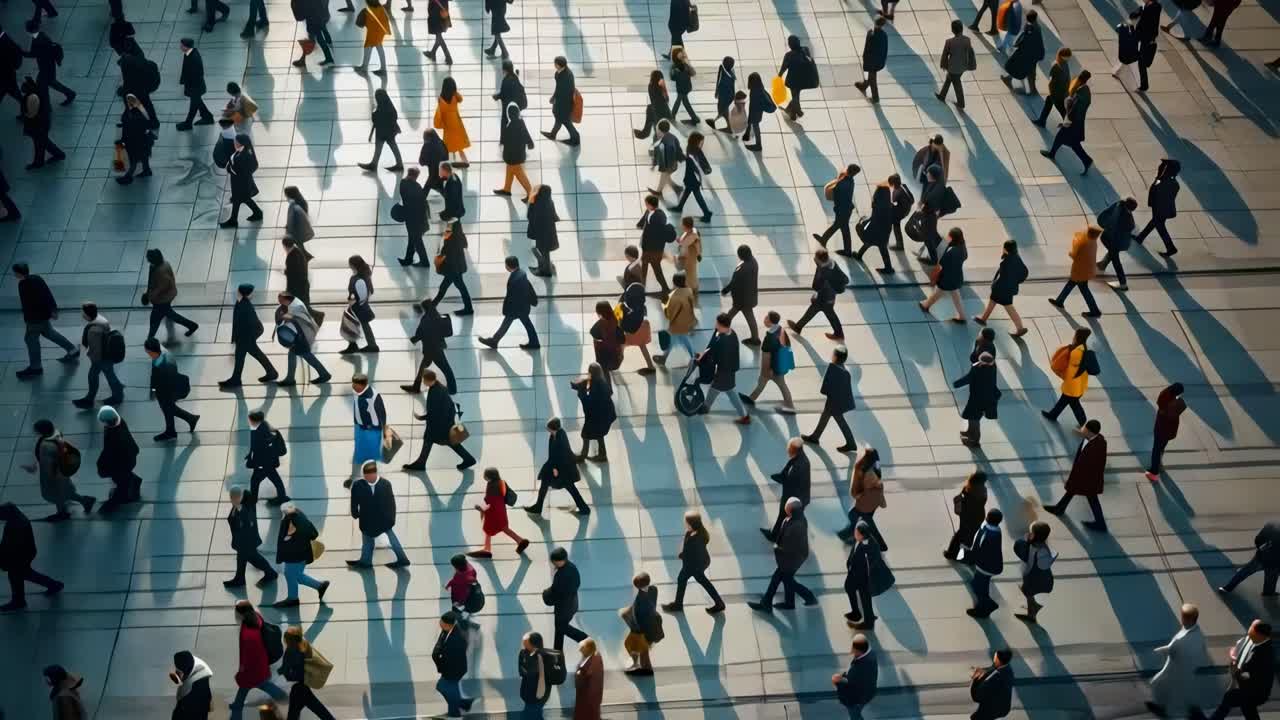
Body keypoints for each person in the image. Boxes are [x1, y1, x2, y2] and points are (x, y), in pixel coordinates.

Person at [1193, 620, 1274, 720]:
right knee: (1247, 708)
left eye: (1252, 635)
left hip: (1257, 692)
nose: (1249, 638)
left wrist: (1236, 674)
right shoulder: (1257, 642)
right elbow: (1241, 645)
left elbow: (1254, 676)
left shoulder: (1264, 653)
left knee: (1230, 698)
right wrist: (1234, 653)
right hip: (1250, 688)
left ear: (1260, 635)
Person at [748, 498, 818, 612]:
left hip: (793, 557)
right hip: (791, 556)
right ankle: (789, 602)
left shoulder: (796, 524)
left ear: (791, 510)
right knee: (783, 578)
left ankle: (807, 596)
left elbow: (790, 545)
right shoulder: (794, 519)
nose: (785, 511)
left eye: (787, 509)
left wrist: (777, 549)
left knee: (784, 578)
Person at [402, 369, 476, 471]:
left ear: (428, 380)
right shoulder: (439, 388)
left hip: (440, 425)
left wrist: (421, 417)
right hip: (444, 422)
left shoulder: (436, 392)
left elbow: (434, 411)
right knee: (439, 440)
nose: (423, 382)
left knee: (446, 441)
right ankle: (421, 462)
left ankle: (468, 459)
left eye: (424, 380)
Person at [1044, 419, 1109, 532]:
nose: (1082, 429)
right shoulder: (1094, 438)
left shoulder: (1096, 446)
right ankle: (1059, 508)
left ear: (1090, 432)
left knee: (1091, 498)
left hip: (1087, 478)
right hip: (1085, 476)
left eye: (1084, 429)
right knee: (1072, 491)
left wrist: (1074, 477)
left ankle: (1100, 523)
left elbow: (1089, 466)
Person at [13, 263, 76, 378]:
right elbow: (47, 294)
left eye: (15, 273)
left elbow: (28, 304)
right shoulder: (37, 278)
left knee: (30, 340)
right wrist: (53, 310)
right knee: (50, 333)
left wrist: (28, 319)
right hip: (43, 315)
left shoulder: (23, 284)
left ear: (18, 273)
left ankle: (36, 367)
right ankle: (72, 350)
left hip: (34, 319)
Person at [1147, 604, 1210, 718]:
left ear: (1186, 619)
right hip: (1187, 670)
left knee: (1158, 684)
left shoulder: (1182, 639)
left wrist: (1158, 651)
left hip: (1176, 669)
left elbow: (1172, 649)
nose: (1181, 618)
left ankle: (1163, 709)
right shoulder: (1198, 634)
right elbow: (1202, 652)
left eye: (1183, 616)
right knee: (1185, 697)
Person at [347, 460, 411, 568]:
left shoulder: (385, 484)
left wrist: (391, 519)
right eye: (366, 476)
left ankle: (402, 559)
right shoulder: (358, 485)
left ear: (375, 474)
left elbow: (391, 504)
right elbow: (354, 501)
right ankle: (366, 561)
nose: (368, 478)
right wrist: (355, 513)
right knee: (368, 541)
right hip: (367, 519)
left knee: (391, 540)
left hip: (383, 519)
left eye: (370, 476)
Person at [0, 503, 63, 611]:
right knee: (24, 574)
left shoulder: (15, 526)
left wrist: (4, 559)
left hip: (19, 555)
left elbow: (10, 546)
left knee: (17, 575)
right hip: (25, 553)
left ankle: (19, 601)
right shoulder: (17, 520)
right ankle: (53, 585)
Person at [230, 600, 288, 718]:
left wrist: (242, 670)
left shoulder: (247, 634)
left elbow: (248, 656)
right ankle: (237, 705)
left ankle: (236, 712)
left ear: (239, 614)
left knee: (250, 685)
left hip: (252, 669)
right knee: (254, 686)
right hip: (261, 664)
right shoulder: (256, 618)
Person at [663, 510, 725, 614]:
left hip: (696, 564)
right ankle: (719, 603)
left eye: (686, 522)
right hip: (696, 562)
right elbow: (687, 548)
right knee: (697, 580)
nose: (684, 523)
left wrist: (684, 556)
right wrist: (683, 554)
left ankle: (678, 605)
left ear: (691, 523)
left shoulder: (697, 538)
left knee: (684, 578)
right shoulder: (691, 533)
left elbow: (694, 554)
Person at [526, 417, 590, 514]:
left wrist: (555, 469)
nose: (547, 430)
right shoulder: (554, 435)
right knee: (546, 483)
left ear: (553, 428)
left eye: (549, 428)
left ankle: (584, 508)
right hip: (558, 468)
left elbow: (563, 455)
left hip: (564, 470)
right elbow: (553, 454)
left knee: (571, 488)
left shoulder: (561, 437)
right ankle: (538, 507)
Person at [802, 346, 857, 452]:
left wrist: (826, 392)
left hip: (833, 401)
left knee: (839, 420)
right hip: (838, 401)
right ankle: (815, 436)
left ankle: (851, 443)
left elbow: (825, 387)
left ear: (835, 357)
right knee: (825, 416)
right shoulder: (845, 371)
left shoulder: (832, 368)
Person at [221, 284, 277, 388]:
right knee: (244, 357)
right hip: (244, 337)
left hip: (245, 337)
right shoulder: (243, 303)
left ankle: (236, 379)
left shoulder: (244, 305)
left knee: (241, 357)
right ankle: (271, 372)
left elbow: (253, 324)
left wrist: (247, 338)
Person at [697, 313, 749, 423]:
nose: (715, 325)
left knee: (717, 389)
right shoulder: (732, 333)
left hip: (724, 371)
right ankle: (743, 415)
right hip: (730, 368)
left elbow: (714, 356)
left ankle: (706, 407)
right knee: (729, 390)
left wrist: (703, 360)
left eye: (717, 323)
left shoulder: (722, 340)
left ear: (721, 324)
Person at [274, 503, 328, 608]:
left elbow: (285, 538)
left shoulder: (289, 521)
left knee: (290, 574)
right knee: (297, 576)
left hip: (293, 555)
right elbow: (314, 533)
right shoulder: (301, 515)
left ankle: (293, 598)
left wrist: (289, 537)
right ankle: (319, 586)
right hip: (303, 553)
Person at [145, 338, 199, 441]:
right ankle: (187, 421)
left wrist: (154, 392)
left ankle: (174, 430)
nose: (147, 352)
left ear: (151, 350)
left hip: (166, 390)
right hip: (166, 388)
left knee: (167, 408)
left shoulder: (162, 364)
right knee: (168, 408)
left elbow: (158, 380)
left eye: (147, 351)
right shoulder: (161, 354)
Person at [480, 256, 540, 350]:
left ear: (508, 266)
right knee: (525, 324)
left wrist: (507, 309)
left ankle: (494, 341)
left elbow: (511, 297)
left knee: (509, 322)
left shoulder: (515, 279)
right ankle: (534, 342)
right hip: (523, 306)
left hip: (517, 307)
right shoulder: (521, 273)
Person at [1040, 70, 1094, 174]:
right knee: (1068, 141)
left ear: (1080, 79)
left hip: (1073, 124)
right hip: (1078, 123)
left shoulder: (1079, 94)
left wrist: (1066, 122)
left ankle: (1086, 160)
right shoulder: (1086, 91)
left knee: (1067, 140)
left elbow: (1073, 111)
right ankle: (1053, 153)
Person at [741, 311, 796, 412]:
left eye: (766, 318)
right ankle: (751, 398)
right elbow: (787, 345)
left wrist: (766, 370)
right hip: (779, 364)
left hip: (772, 367)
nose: (764, 319)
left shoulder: (769, 337)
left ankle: (790, 406)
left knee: (778, 384)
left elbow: (766, 356)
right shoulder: (780, 329)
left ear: (770, 321)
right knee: (764, 382)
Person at [223, 485, 276, 588]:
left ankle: (270, 573)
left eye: (233, 496)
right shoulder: (238, 505)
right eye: (231, 496)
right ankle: (240, 578)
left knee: (255, 559)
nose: (231, 499)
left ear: (239, 497)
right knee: (242, 559)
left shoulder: (244, 510)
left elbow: (248, 525)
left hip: (246, 542)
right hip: (242, 541)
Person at [787, 249, 847, 340]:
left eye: (816, 257)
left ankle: (798, 327)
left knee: (825, 312)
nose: (814, 258)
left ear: (820, 260)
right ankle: (798, 327)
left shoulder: (824, 271)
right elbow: (845, 279)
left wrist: (816, 294)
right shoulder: (831, 263)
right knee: (819, 311)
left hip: (825, 298)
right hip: (828, 296)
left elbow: (817, 286)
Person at [470, 467, 529, 557]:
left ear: (489, 477)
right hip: (501, 509)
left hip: (493, 511)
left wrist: (480, 508)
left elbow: (488, 500)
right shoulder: (502, 482)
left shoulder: (490, 485)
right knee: (504, 527)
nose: (484, 477)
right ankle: (519, 540)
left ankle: (487, 548)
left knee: (488, 529)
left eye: (485, 475)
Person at [142, 249, 199, 343]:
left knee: (155, 319)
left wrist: (150, 296)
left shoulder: (161, 272)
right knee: (170, 315)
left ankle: (150, 338)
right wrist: (148, 292)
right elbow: (151, 281)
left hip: (162, 299)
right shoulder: (158, 265)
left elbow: (161, 288)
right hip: (164, 297)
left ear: (154, 259)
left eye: (149, 258)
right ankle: (191, 325)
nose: (147, 260)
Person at [278, 627, 336, 720]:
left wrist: (281, 672)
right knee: (321, 712)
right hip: (304, 686)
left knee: (295, 715)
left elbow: (289, 674)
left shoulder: (290, 651)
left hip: (298, 689)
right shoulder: (304, 645)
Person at [74, 303, 124, 407]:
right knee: (99, 375)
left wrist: (94, 360)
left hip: (101, 358)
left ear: (87, 314)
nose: (81, 314)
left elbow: (95, 348)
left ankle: (117, 396)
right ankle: (90, 398)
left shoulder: (93, 330)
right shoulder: (100, 319)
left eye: (82, 312)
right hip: (106, 355)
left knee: (105, 375)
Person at [401, 303, 458, 395]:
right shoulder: (437, 316)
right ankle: (416, 386)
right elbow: (446, 332)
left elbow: (420, 334)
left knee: (445, 368)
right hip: (437, 347)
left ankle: (452, 389)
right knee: (423, 367)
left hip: (432, 349)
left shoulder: (425, 319)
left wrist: (413, 339)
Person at [973, 241, 1028, 336]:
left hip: (1002, 289)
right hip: (1008, 288)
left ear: (1006, 249)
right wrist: (1016, 281)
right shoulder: (1017, 257)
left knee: (1008, 306)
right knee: (993, 301)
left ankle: (1020, 328)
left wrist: (994, 285)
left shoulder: (1006, 262)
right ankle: (983, 318)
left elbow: (1002, 277)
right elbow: (1025, 272)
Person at [275, 293, 329, 386]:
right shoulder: (292, 304)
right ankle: (290, 378)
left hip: (301, 336)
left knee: (307, 356)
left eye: (280, 300)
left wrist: (285, 317)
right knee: (293, 354)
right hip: (299, 335)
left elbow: (298, 320)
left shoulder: (297, 306)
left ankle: (324, 374)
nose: (279, 302)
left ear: (286, 299)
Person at [1049, 225, 1102, 317]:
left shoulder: (1084, 243)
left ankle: (1094, 310)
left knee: (1084, 290)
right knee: (1071, 283)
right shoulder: (1093, 242)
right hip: (1087, 270)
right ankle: (1060, 301)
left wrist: (1071, 252)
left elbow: (1075, 256)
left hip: (1080, 271)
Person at [763, 438, 810, 541]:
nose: (787, 450)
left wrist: (786, 503)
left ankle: (775, 536)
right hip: (801, 496)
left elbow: (790, 485)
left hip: (795, 498)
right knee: (792, 517)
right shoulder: (801, 458)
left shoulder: (797, 467)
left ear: (794, 450)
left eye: (789, 449)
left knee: (783, 516)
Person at [96, 406, 140, 513]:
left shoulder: (115, 435)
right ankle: (133, 481)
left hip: (121, 462)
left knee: (121, 481)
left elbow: (111, 452)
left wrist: (102, 463)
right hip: (127, 458)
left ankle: (119, 498)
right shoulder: (118, 423)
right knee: (121, 477)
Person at [542, 547, 587, 650]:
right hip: (571, 604)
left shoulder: (562, 574)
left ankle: (585, 639)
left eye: (555, 561)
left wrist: (545, 594)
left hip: (563, 608)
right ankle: (557, 650)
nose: (554, 563)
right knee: (560, 629)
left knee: (562, 628)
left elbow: (556, 591)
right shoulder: (572, 567)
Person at [919, 227, 968, 321]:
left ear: (953, 238)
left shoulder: (950, 252)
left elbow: (939, 266)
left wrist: (933, 279)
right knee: (955, 294)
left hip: (946, 279)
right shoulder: (962, 246)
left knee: (939, 292)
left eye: (949, 236)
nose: (947, 237)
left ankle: (926, 305)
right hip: (957, 277)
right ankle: (961, 316)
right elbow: (965, 257)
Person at [1217, 522, 1279, 596]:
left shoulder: (1272, 525)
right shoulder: (1272, 526)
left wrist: (1261, 547)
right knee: (1270, 576)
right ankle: (1268, 592)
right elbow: (1259, 540)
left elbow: (1258, 540)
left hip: (1264, 558)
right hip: (1271, 561)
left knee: (1245, 572)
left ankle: (1228, 588)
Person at [962, 508, 1004, 618]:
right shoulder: (997, 530)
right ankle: (986, 603)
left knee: (978, 587)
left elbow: (976, 550)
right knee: (978, 584)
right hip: (993, 564)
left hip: (985, 566)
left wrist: (965, 554)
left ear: (987, 518)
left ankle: (984, 608)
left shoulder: (985, 533)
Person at [1136, 158, 1181, 257]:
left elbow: (1154, 187)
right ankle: (1140, 237)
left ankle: (1171, 248)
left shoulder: (1164, 182)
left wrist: (1159, 173)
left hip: (1160, 209)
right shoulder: (1173, 183)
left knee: (1160, 228)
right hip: (1164, 209)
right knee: (1154, 223)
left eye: (1166, 168)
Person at [952, 351, 999, 448]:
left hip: (978, 399)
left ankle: (975, 441)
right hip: (983, 398)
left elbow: (968, 378)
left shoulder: (977, 369)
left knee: (975, 420)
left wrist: (956, 384)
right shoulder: (993, 367)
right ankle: (969, 432)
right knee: (972, 417)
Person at [1012, 521, 1056, 622]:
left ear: (1033, 535)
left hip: (1034, 579)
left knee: (1026, 590)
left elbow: (1029, 566)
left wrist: (1025, 577)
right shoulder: (1044, 547)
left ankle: (1032, 614)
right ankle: (1034, 606)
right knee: (1026, 591)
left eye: (1030, 532)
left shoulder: (1034, 550)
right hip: (1046, 578)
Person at [844, 448, 888, 550]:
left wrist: (857, 495)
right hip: (873, 502)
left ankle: (881, 545)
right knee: (864, 518)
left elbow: (857, 487)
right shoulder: (876, 468)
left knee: (855, 515)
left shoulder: (864, 470)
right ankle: (850, 534)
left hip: (865, 502)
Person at [432, 611, 474, 717]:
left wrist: (442, 667)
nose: (439, 623)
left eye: (441, 622)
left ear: (448, 624)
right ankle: (464, 704)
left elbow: (451, 658)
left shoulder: (457, 638)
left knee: (447, 688)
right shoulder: (447, 631)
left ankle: (454, 713)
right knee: (443, 687)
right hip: (451, 667)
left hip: (455, 668)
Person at [572, 364, 616, 461]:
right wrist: (578, 386)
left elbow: (590, 402)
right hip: (606, 416)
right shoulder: (601, 381)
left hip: (598, 417)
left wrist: (581, 394)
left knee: (585, 434)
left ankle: (582, 456)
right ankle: (602, 455)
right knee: (599, 434)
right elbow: (586, 383)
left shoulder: (597, 386)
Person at [349, 373, 388, 483]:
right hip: (360, 428)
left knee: (370, 456)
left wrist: (384, 429)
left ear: (362, 385)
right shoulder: (358, 392)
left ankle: (370, 479)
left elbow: (382, 413)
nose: (353, 386)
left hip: (371, 431)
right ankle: (354, 476)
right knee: (358, 452)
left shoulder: (372, 397)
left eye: (355, 384)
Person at [21, 75, 65, 169]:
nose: (22, 88)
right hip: (41, 123)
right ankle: (41, 160)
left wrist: (25, 115)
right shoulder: (35, 94)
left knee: (41, 142)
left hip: (37, 124)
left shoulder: (32, 97)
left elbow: (31, 114)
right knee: (41, 142)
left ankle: (54, 156)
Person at [244, 411, 288, 504]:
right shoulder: (267, 428)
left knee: (255, 481)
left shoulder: (256, 433)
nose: (249, 421)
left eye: (250, 419)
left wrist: (252, 460)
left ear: (254, 420)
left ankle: (254, 499)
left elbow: (258, 448)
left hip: (262, 464)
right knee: (275, 480)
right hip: (270, 462)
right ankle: (282, 497)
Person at [814, 164, 860, 255]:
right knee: (844, 228)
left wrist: (838, 179)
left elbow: (831, 192)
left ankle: (824, 240)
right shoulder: (850, 181)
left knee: (837, 226)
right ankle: (846, 250)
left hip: (842, 209)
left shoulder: (842, 183)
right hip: (846, 209)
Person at [621, 572, 661, 675]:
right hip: (651, 626)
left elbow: (640, 618)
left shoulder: (641, 599)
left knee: (634, 646)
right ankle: (641, 666)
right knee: (642, 651)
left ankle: (644, 669)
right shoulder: (653, 589)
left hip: (642, 631)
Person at [26, 20, 74, 104]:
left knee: (42, 86)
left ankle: (46, 106)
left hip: (46, 67)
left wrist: (20, 52)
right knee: (51, 82)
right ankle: (69, 93)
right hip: (48, 65)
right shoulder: (41, 35)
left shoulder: (39, 40)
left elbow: (33, 53)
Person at [1146, 383, 1187, 480]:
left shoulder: (1164, 399)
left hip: (1161, 429)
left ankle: (1154, 471)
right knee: (1161, 448)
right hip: (1169, 430)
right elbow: (1182, 406)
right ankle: (1159, 464)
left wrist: (1170, 388)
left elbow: (1161, 397)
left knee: (1156, 449)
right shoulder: (1177, 404)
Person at [495, 103, 535, 202]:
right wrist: (530, 143)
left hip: (513, 156)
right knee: (509, 169)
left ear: (509, 114)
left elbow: (506, 140)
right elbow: (526, 135)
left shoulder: (512, 125)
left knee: (519, 173)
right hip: (518, 154)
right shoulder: (521, 122)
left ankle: (530, 193)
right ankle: (507, 189)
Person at [1096, 197, 1138, 291]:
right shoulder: (1126, 217)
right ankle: (1103, 266)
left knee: (1115, 258)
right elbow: (1130, 227)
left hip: (1113, 239)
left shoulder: (1119, 205)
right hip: (1117, 241)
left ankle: (1122, 283)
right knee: (1114, 256)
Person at [945, 471, 988, 560]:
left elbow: (960, 498)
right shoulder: (983, 492)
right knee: (970, 538)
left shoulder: (967, 489)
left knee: (960, 535)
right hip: (977, 518)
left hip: (965, 517)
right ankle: (965, 556)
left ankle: (951, 553)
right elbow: (982, 503)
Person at [221, 134, 263, 226]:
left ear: (240, 143)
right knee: (241, 199)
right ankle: (257, 213)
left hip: (240, 183)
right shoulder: (245, 150)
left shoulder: (243, 155)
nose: (234, 143)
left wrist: (230, 168)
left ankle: (234, 220)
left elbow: (236, 169)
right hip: (240, 182)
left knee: (241, 199)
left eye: (236, 142)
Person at [433, 221, 474, 315]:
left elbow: (446, 253)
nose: (447, 228)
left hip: (452, 269)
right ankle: (468, 308)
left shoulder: (451, 239)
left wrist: (444, 241)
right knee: (458, 288)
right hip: (457, 267)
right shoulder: (459, 236)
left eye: (449, 226)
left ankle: (431, 307)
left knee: (445, 288)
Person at [637, 194, 675, 296]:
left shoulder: (656, 218)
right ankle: (664, 288)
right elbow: (645, 218)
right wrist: (640, 224)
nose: (645, 205)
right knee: (654, 268)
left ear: (650, 204)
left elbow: (653, 234)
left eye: (646, 203)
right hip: (654, 249)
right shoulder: (656, 213)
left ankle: (642, 288)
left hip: (652, 249)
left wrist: (645, 245)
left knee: (647, 268)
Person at [834, 634, 878, 720]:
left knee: (854, 716)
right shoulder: (870, 654)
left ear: (860, 651)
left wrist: (837, 680)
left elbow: (850, 683)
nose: (852, 651)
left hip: (857, 699)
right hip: (867, 693)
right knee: (856, 716)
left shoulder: (860, 667)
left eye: (854, 650)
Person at [723, 245, 760, 344]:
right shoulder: (753, 262)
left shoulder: (743, 268)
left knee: (732, 315)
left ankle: (721, 329)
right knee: (735, 315)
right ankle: (755, 338)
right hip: (749, 297)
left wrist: (725, 290)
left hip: (742, 299)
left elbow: (734, 282)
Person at [670, 135, 712, 222]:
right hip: (692, 177)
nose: (702, 144)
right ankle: (680, 207)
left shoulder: (693, 150)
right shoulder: (693, 150)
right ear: (695, 142)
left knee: (697, 196)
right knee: (688, 191)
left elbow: (698, 164)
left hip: (692, 177)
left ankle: (707, 213)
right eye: (701, 142)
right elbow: (697, 164)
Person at [361, 88, 403, 172]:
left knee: (388, 147)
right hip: (385, 131)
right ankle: (375, 164)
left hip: (384, 132)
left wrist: (375, 113)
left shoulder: (382, 107)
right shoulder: (388, 105)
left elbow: (376, 119)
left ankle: (375, 164)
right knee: (386, 148)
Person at [1001, 10, 1043, 93]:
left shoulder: (1029, 27)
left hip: (1025, 53)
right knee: (1028, 70)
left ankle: (1032, 89)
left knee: (1022, 68)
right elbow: (1038, 42)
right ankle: (1032, 89)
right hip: (1031, 54)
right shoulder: (1036, 28)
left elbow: (1023, 38)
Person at [343, 255, 379, 353]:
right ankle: (370, 345)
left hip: (358, 308)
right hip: (359, 307)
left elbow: (360, 296)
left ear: (354, 265)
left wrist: (352, 303)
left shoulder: (358, 279)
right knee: (360, 326)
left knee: (355, 326)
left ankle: (367, 346)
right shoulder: (364, 276)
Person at [937, 21, 976, 109]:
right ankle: (942, 95)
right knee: (949, 79)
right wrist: (971, 65)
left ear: (952, 30)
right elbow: (970, 53)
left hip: (953, 67)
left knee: (956, 83)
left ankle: (961, 103)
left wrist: (944, 65)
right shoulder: (967, 40)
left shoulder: (949, 42)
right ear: (962, 29)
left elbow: (945, 55)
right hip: (962, 66)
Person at [619, 282, 656, 375]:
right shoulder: (643, 307)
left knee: (622, 345)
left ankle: (617, 361)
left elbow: (621, 321)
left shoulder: (626, 309)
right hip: (642, 331)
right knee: (642, 346)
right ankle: (650, 366)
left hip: (630, 333)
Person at [778, 35, 817, 120]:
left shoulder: (789, 55)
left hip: (793, 80)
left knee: (795, 96)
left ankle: (798, 111)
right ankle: (792, 114)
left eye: (789, 43)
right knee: (796, 95)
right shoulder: (805, 50)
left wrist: (779, 75)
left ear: (791, 44)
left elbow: (784, 67)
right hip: (804, 79)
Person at [116, 94, 153, 184]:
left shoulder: (133, 115)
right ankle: (146, 169)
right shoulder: (139, 111)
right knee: (143, 155)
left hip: (134, 140)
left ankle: (128, 176)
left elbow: (130, 128)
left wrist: (123, 139)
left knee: (134, 159)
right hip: (142, 139)